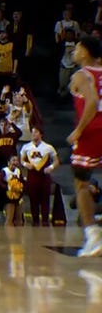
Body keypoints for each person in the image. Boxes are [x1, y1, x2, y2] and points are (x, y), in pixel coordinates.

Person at [67, 36, 102, 256]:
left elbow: (91, 102)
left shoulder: (81, 75)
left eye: (78, 47)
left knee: (80, 183)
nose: (74, 51)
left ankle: (93, 234)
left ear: (86, 52)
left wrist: (78, 130)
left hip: (92, 131)